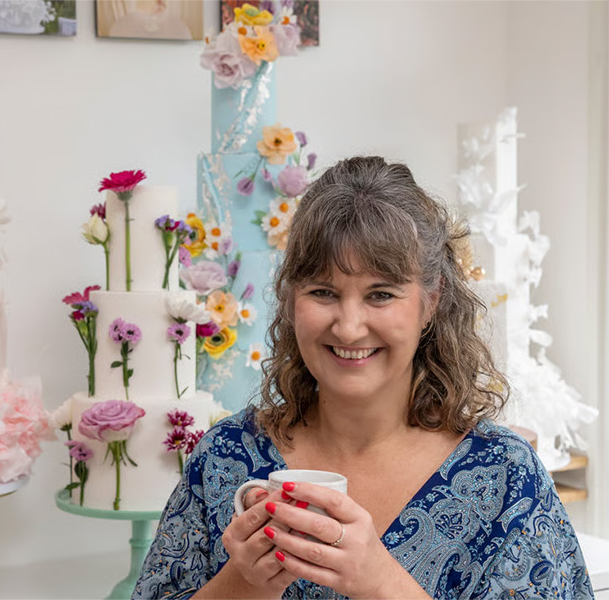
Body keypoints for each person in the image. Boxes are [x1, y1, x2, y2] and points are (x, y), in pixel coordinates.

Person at [133, 156, 593, 599]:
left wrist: (382, 584)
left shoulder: (506, 477)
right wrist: (243, 584)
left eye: (381, 294)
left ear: (430, 302)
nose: (349, 327)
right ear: (292, 301)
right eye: (323, 292)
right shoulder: (224, 459)